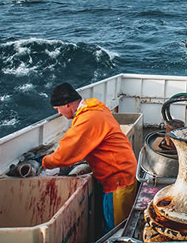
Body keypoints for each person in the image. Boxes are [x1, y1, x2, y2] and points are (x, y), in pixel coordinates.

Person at [34, 82, 138, 233]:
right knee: (113, 221)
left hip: (118, 179)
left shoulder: (87, 119)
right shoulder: (96, 107)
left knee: (116, 229)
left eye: (58, 109)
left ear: (68, 105)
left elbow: (64, 156)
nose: (59, 113)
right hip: (123, 171)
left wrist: (43, 161)